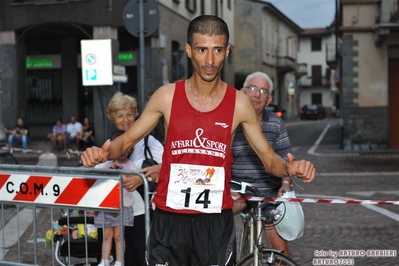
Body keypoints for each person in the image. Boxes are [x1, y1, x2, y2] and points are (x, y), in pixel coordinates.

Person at [81, 15, 316, 266]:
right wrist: (104, 153)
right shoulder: (167, 96)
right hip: (169, 221)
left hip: (215, 223)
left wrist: (289, 168)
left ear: (227, 51)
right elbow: (126, 141)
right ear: (189, 50)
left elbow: (269, 158)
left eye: (217, 50)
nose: (210, 60)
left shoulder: (239, 103)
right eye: (202, 50)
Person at [231, 71, 295, 257]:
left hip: (268, 191)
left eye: (263, 91)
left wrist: (285, 184)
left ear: (269, 99)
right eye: (252, 88)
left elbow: (286, 159)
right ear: (242, 91)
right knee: (217, 221)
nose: (257, 94)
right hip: (237, 189)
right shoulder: (230, 120)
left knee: (281, 252)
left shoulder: (275, 123)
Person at [98, 91, 164, 266]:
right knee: (121, 259)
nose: (125, 119)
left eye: (129, 114)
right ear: (113, 118)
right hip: (115, 214)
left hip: (142, 214)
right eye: (120, 115)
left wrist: (141, 178)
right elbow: (97, 171)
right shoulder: (109, 145)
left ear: (136, 115)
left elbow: (168, 166)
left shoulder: (149, 142)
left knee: (142, 257)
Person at [95, 130, 135, 266]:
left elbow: (132, 183)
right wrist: (110, 170)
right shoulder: (105, 164)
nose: (123, 151)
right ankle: (104, 260)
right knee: (107, 235)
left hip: (123, 205)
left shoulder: (131, 166)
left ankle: (119, 261)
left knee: (119, 236)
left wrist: (120, 172)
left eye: (126, 148)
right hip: (107, 205)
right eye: (119, 147)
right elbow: (97, 179)